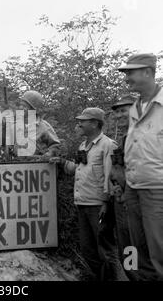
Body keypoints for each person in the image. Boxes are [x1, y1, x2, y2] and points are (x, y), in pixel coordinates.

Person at [50, 107, 118, 280]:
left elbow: (111, 176)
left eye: (83, 121)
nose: (79, 124)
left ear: (95, 123)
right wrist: (62, 162)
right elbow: (78, 169)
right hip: (82, 203)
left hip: (99, 206)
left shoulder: (108, 145)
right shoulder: (83, 145)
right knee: (88, 250)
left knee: (106, 249)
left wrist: (106, 203)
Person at [117, 53, 163, 280]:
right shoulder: (135, 107)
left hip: (157, 189)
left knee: (159, 252)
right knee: (139, 250)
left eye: (130, 73)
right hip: (133, 188)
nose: (127, 79)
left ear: (147, 71)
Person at [109, 94, 139, 281]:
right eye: (117, 112)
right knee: (126, 249)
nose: (119, 115)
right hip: (121, 202)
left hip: (136, 204)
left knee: (137, 249)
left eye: (123, 110)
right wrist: (115, 185)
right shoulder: (123, 139)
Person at [12, 90, 61, 161]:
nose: (21, 108)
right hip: (18, 167)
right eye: (20, 105)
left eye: (25, 106)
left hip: (37, 167)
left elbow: (55, 145)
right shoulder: (16, 125)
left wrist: (48, 155)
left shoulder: (43, 126)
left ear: (33, 109)